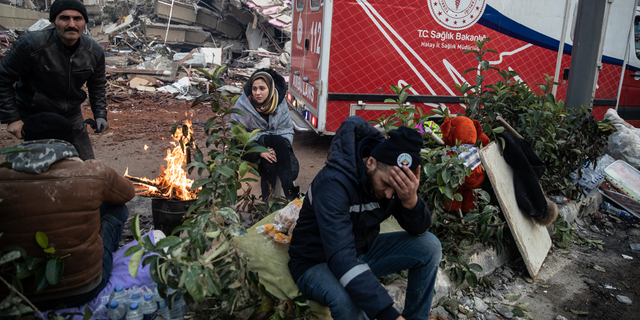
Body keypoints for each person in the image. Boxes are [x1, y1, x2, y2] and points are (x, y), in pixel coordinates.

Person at [288, 116, 442, 320]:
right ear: (371, 162)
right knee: (349, 302)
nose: (389, 195)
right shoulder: (333, 184)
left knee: (429, 247)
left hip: (361, 250)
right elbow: (341, 255)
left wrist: (410, 201)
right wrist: (388, 315)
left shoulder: (391, 185)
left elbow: (419, 229)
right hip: (317, 260)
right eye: (386, 185)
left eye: (395, 190)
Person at [0, 112, 134, 308]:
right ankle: (106, 258)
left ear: (26, 138)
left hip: (18, 291)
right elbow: (127, 192)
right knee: (116, 207)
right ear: (69, 139)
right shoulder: (93, 172)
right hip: (83, 288)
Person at [0, 0, 109, 160]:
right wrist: (13, 119)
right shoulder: (31, 45)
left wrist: (100, 114)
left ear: (85, 22)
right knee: (39, 166)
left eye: (77, 18)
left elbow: (97, 85)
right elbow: (3, 78)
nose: (71, 24)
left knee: (86, 165)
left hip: (70, 114)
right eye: (65, 18)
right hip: (34, 113)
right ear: (53, 22)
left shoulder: (93, 51)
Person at [231, 68, 300, 200]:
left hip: (278, 145)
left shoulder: (279, 103)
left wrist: (273, 149)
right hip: (250, 148)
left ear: (270, 88)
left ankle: (269, 200)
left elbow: (286, 130)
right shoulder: (243, 104)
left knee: (277, 152)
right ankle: (288, 194)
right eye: (254, 88)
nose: (257, 93)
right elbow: (236, 136)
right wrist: (259, 151)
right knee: (266, 157)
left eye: (262, 88)